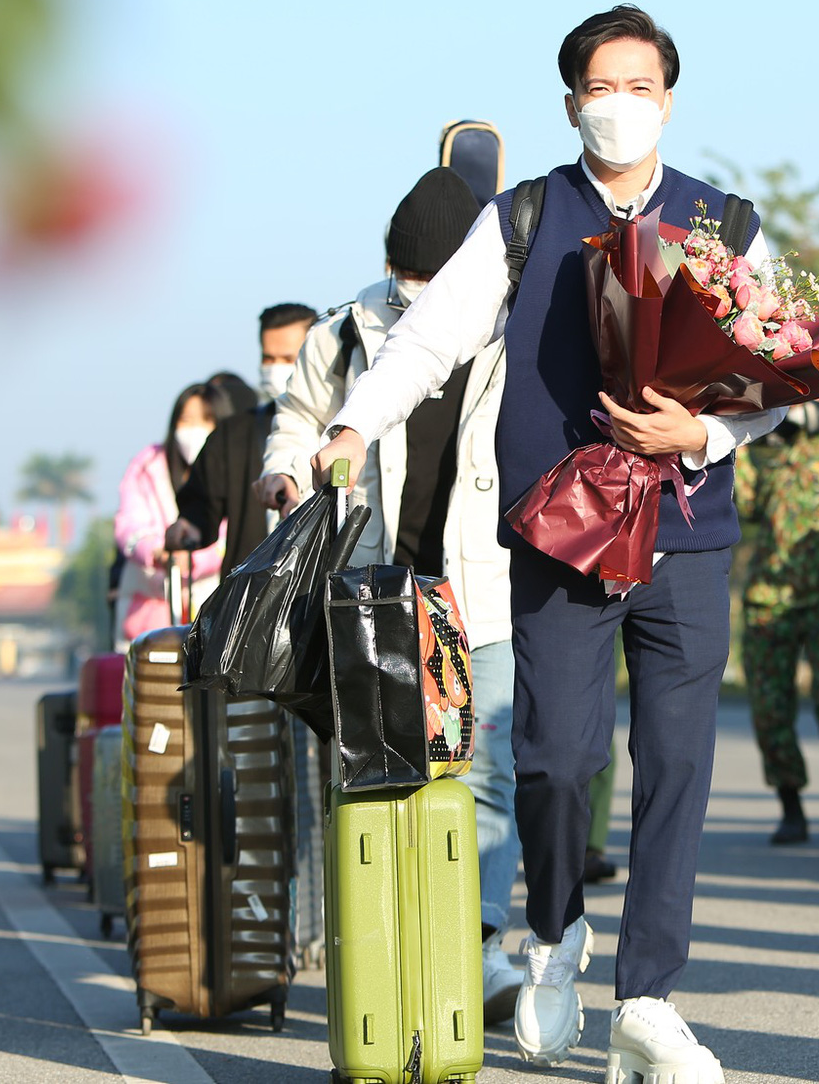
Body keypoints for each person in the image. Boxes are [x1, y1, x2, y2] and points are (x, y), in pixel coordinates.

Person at [312, 6, 780, 1083]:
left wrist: (702, 429)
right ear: (571, 102)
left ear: (668, 97)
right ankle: (555, 934)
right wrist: (350, 424)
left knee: (676, 769)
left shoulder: (725, 224)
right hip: (565, 534)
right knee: (557, 762)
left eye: (640, 86)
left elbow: (771, 374)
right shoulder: (524, 217)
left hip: (689, 529)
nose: (620, 105)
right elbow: (431, 335)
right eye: (599, 88)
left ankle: (650, 998)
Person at [256, 168, 521, 1020]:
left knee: (486, 773)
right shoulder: (345, 331)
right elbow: (297, 421)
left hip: (486, 585)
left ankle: (472, 947)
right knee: (373, 771)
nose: (412, 298)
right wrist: (283, 475)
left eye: (428, 283)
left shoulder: (518, 321)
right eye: (402, 280)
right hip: (375, 591)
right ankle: (378, 943)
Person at [735, 416, 819, 845]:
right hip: (768, 596)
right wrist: (737, 453)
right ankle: (790, 804)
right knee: (770, 706)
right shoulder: (769, 444)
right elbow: (750, 507)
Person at [166, 305, 317, 579]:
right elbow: (201, 504)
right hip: (251, 598)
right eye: (268, 358)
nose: (275, 369)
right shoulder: (233, 433)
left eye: (287, 358)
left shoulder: (343, 428)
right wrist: (189, 526)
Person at [113, 383, 227, 648]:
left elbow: (227, 532)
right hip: (147, 606)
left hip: (210, 600)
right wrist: (155, 551)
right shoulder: (147, 465)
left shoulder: (228, 470)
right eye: (187, 420)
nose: (195, 430)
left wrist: (194, 559)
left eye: (206, 421)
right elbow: (129, 523)